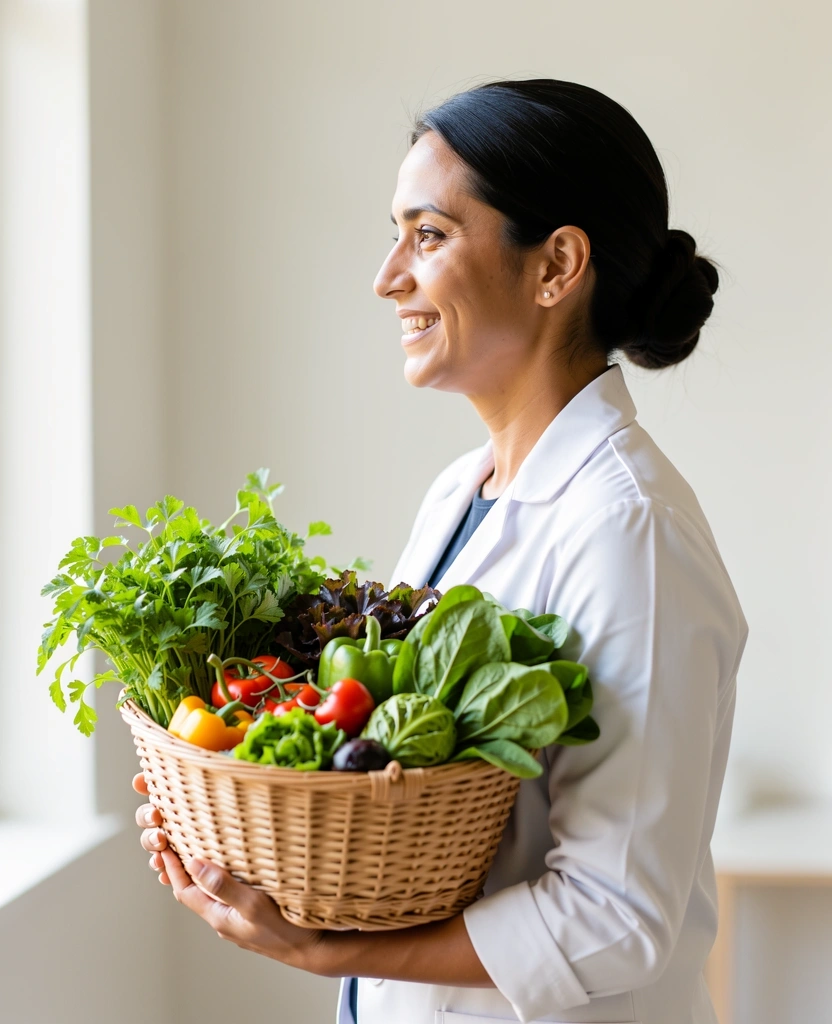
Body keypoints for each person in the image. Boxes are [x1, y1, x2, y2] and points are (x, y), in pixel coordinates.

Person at [135, 79, 748, 1024]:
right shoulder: (460, 493)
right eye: (397, 233)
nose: (388, 276)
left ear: (557, 266)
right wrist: (245, 835)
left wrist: (323, 948)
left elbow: (617, 918)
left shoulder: (630, 532)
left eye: (428, 235)